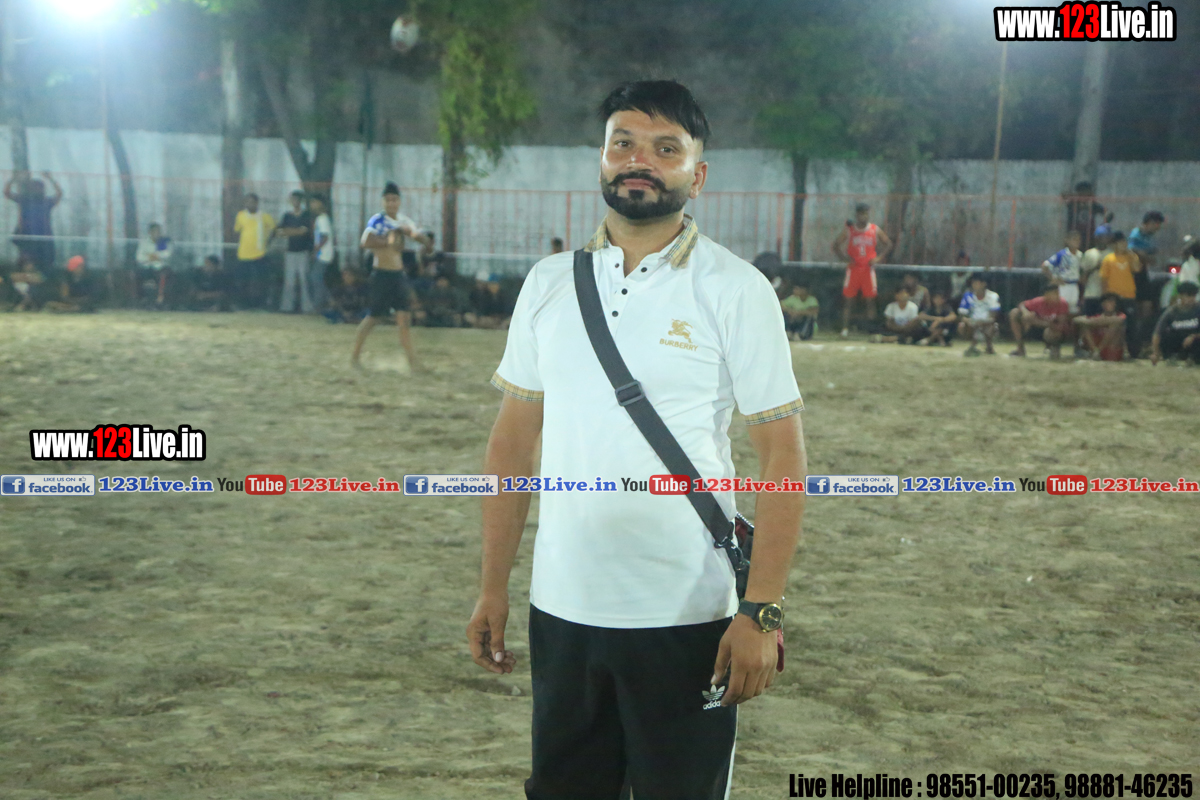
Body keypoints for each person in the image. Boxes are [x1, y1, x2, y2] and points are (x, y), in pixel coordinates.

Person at [467, 80, 806, 799]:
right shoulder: (548, 283)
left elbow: (783, 457)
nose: (638, 160)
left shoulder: (735, 288)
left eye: (665, 148)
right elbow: (511, 446)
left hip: (688, 618)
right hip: (563, 610)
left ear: (697, 175)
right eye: (622, 143)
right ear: (601, 159)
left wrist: (762, 611)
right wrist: (493, 587)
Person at [351, 182, 432, 369]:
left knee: (404, 320)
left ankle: (413, 363)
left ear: (399, 201)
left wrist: (425, 241)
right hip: (382, 275)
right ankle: (355, 357)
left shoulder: (403, 221)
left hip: (398, 276)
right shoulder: (378, 221)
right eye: (387, 200)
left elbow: (417, 235)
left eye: (394, 200)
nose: (391, 203)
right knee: (373, 318)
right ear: (383, 202)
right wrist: (387, 240)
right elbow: (365, 241)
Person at [832, 202, 892, 338]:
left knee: (870, 300)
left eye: (865, 214)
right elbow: (836, 245)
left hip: (868, 269)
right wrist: (844, 259)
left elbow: (888, 244)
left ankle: (872, 330)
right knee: (849, 300)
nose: (863, 217)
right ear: (857, 215)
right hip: (853, 269)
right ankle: (845, 329)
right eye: (861, 214)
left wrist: (879, 258)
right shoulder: (850, 230)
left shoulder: (874, 229)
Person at [4, 170, 62, 271]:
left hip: (43, 238)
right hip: (27, 237)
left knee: (44, 262)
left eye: (38, 187)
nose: (36, 190)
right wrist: (14, 178)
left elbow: (59, 195)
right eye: (33, 187)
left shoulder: (46, 202)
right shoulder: (25, 200)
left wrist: (51, 179)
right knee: (26, 262)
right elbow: (7, 193)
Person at [1099, 232, 1140, 355]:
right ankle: (1113, 350)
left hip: (1129, 296)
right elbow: (1103, 278)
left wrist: (1131, 255)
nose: (1123, 245)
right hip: (1114, 297)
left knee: (1131, 324)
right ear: (1114, 244)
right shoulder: (1108, 259)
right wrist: (1105, 297)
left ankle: (1133, 351)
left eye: (1125, 242)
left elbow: (1137, 269)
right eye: (1120, 243)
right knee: (1114, 324)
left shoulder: (1131, 257)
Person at [233, 193, 276, 308]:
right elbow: (237, 230)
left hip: (260, 254)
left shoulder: (264, 216)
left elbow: (273, 229)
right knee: (244, 280)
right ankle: (244, 304)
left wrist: (267, 242)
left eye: (252, 202)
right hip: (243, 254)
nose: (249, 204)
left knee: (260, 280)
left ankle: (260, 303)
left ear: (257, 203)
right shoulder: (241, 215)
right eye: (247, 202)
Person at [1009, 285, 1072, 359]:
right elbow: (1022, 304)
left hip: (1052, 331)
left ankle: (1053, 348)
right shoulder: (1039, 301)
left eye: (1058, 293)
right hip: (1037, 328)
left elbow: (1060, 325)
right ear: (1046, 295)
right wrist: (1025, 312)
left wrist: (1035, 321)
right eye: (1054, 294)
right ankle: (1020, 348)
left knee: (1052, 332)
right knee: (1014, 313)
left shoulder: (1062, 303)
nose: (1057, 296)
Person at [277, 190, 313, 313]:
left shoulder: (306, 215)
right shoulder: (287, 216)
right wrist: (296, 231)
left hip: (303, 251)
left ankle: (307, 307)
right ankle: (287, 307)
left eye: (296, 199)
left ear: (300, 201)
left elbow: (304, 231)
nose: (294, 202)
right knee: (289, 280)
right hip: (290, 251)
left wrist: (289, 231)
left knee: (304, 280)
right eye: (293, 199)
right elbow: (280, 232)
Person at [1150, 281, 1200, 365]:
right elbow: (1157, 332)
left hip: (1195, 342)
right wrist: (1155, 352)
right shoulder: (1172, 311)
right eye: (1188, 296)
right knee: (1167, 336)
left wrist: (1194, 336)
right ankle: (1171, 357)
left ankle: (1194, 359)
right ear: (1180, 296)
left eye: (1193, 296)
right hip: (1178, 342)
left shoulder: (1198, 309)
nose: (1191, 299)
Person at [1074, 293, 1126, 362]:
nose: (1109, 304)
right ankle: (1095, 351)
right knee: (1084, 326)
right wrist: (1095, 322)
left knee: (1115, 326)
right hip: (1097, 345)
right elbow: (1077, 320)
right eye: (1107, 302)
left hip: (1112, 349)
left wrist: (1096, 322)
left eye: (1112, 302)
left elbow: (1118, 320)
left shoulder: (1120, 315)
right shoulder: (1098, 316)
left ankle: (1097, 351)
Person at [957, 273, 1001, 356]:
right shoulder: (968, 296)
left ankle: (989, 346)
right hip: (972, 323)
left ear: (984, 284)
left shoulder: (993, 296)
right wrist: (969, 321)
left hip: (986, 324)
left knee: (992, 327)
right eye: (973, 283)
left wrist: (981, 322)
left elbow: (993, 317)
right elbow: (962, 315)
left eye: (976, 283)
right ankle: (972, 345)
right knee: (962, 326)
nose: (974, 285)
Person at [1040, 229, 1083, 313]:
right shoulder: (1062, 254)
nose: (1076, 242)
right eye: (1074, 239)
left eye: (1078, 240)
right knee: (1061, 308)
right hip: (1064, 285)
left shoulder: (1080, 255)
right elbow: (1045, 266)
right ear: (1067, 241)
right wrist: (1053, 278)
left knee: (1073, 309)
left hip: (1074, 285)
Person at [135, 222, 174, 306]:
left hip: (160, 268)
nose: (157, 234)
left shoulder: (163, 241)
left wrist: (155, 255)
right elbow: (139, 257)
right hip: (146, 267)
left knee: (164, 274)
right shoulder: (144, 242)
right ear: (150, 232)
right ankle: (141, 298)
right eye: (154, 231)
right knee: (136, 275)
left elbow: (167, 254)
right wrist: (150, 258)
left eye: (158, 231)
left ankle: (160, 299)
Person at [1079, 225, 1114, 316]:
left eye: (1105, 237)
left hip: (1106, 295)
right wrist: (1095, 268)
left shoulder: (1112, 254)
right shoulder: (1089, 253)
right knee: (1089, 318)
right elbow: (1083, 277)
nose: (1102, 240)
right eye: (1100, 237)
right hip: (1091, 293)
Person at [309, 194, 336, 311]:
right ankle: (328, 300)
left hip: (324, 254)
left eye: (314, 202)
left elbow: (324, 237)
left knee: (316, 278)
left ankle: (319, 304)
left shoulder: (322, 219)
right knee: (317, 278)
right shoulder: (322, 218)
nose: (312, 205)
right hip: (323, 253)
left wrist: (316, 250)